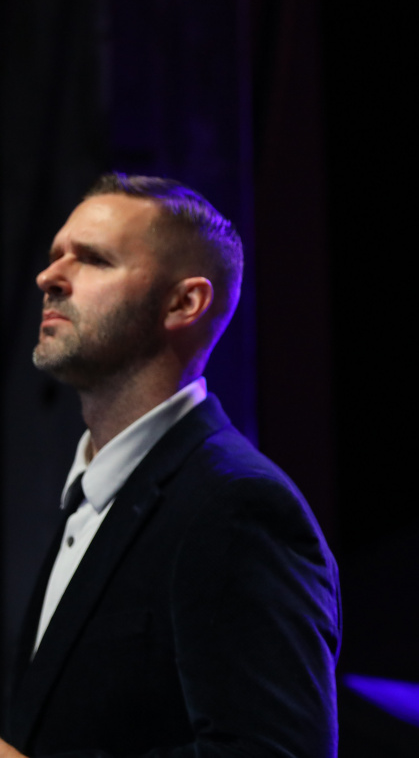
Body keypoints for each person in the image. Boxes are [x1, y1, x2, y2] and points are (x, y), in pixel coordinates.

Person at [2, 174, 340, 757]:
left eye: (93, 259)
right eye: (56, 254)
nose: (49, 277)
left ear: (185, 303)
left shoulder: (236, 505)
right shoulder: (93, 497)